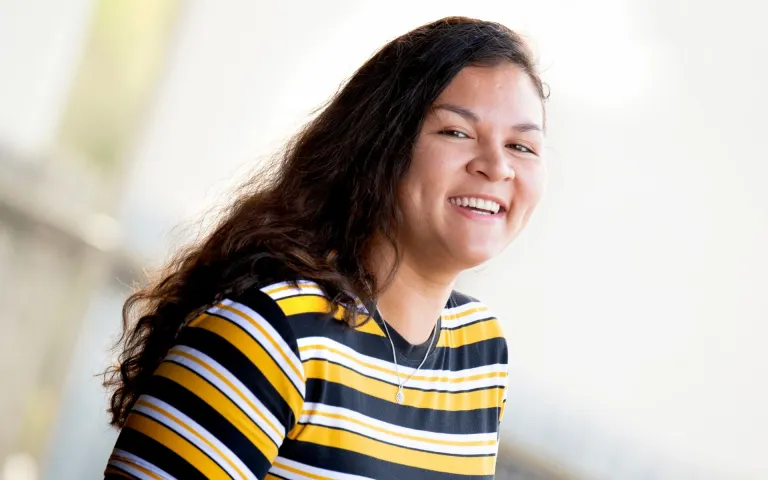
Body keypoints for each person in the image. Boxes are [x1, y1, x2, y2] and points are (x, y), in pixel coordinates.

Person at [102, 15, 547, 480]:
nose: (497, 167)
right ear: (379, 146)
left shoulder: (479, 354)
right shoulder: (268, 335)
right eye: (456, 132)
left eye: (522, 146)